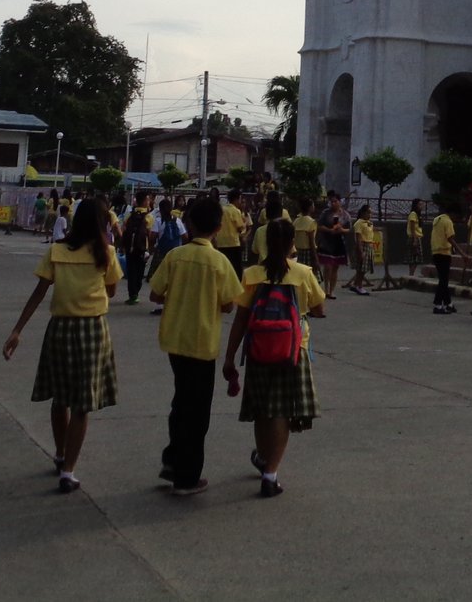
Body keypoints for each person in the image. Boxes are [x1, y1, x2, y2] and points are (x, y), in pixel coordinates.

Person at [4, 197, 121, 494]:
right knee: (83, 403)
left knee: (60, 397)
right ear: (101, 222)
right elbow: (112, 289)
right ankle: (69, 470)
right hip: (93, 328)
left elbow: (39, 292)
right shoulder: (106, 252)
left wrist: (17, 330)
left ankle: (60, 453)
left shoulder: (56, 250)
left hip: (60, 328)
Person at [224, 218, 327, 498]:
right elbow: (319, 309)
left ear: (266, 242)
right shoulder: (303, 273)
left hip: (258, 348)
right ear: (292, 242)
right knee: (281, 409)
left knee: (262, 408)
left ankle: (263, 458)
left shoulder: (253, 274)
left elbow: (241, 319)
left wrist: (230, 356)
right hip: (293, 349)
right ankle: (271, 473)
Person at [148, 195, 243, 497]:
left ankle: (174, 459)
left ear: (188, 222)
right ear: (218, 227)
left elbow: (155, 295)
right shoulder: (219, 262)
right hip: (202, 342)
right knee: (197, 411)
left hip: (175, 340)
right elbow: (229, 304)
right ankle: (187, 476)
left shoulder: (176, 256)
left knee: (181, 402)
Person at [120, 200, 154, 306]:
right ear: (144, 202)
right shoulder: (149, 217)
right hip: (142, 248)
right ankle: (136, 292)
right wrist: (150, 248)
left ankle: (132, 295)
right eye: (147, 200)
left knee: (131, 271)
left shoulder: (129, 215)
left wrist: (123, 245)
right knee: (140, 270)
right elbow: (150, 234)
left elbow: (124, 230)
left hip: (130, 248)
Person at [430, 203, 458, 314]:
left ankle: (448, 303)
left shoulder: (437, 219)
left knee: (443, 278)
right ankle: (438, 304)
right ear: (453, 213)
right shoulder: (448, 222)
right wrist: (462, 253)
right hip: (444, 252)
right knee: (443, 280)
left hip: (436, 251)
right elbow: (450, 238)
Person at [215, 188, 248, 273]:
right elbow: (240, 227)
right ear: (237, 199)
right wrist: (245, 222)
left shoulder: (222, 209)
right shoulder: (235, 210)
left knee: (223, 266)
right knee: (236, 268)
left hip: (221, 242)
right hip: (233, 242)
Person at [347, 205, 375, 295]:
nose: (370, 214)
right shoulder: (359, 223)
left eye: (370, 212)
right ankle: (359, 286)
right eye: (368, 212)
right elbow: (358, 238)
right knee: (361, 268)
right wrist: (360, 251)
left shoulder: (369, 223)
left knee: (364, 268)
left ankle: (356, 285)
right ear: (363, 213)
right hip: (363, 245)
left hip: (369, 245)